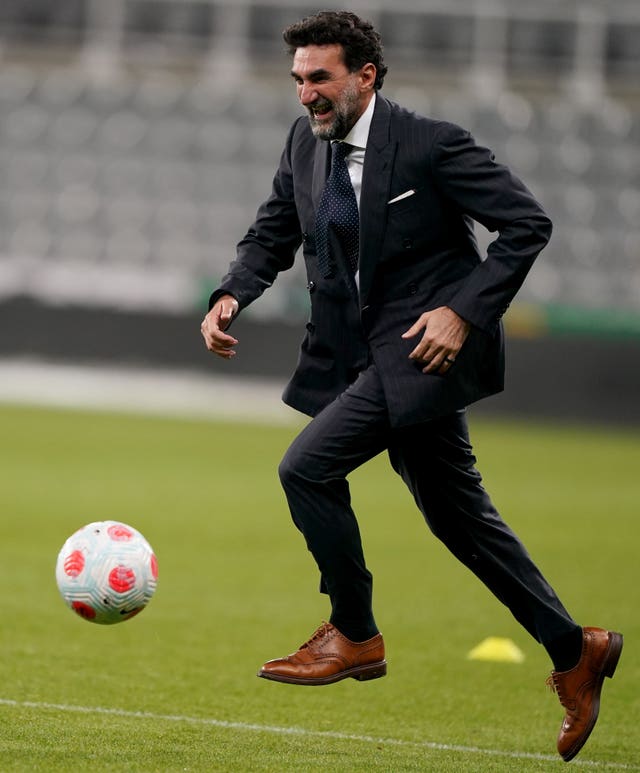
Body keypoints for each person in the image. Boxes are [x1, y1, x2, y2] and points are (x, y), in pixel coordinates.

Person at [201, 10, 622, 762]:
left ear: (365, 75)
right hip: (361, 357)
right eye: (298, 79)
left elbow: (527, 224)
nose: (306, 95)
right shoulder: (306, 141)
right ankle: (574, 647)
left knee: (306, 467)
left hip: (423, 354)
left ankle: (354, 634)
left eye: (320, 78)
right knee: (460, 519)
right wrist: (232, 291)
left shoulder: (431, 144)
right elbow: (274, 229)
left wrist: (463, 312)